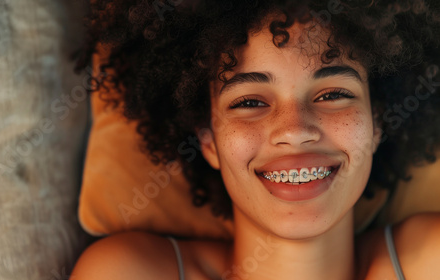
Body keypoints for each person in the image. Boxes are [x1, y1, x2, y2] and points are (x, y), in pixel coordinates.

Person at [72, 0, 440, 279]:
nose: (294, 130)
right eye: (249, 102)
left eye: (332, 95)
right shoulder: (129, 271)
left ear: (376, 123)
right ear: (208, 140)